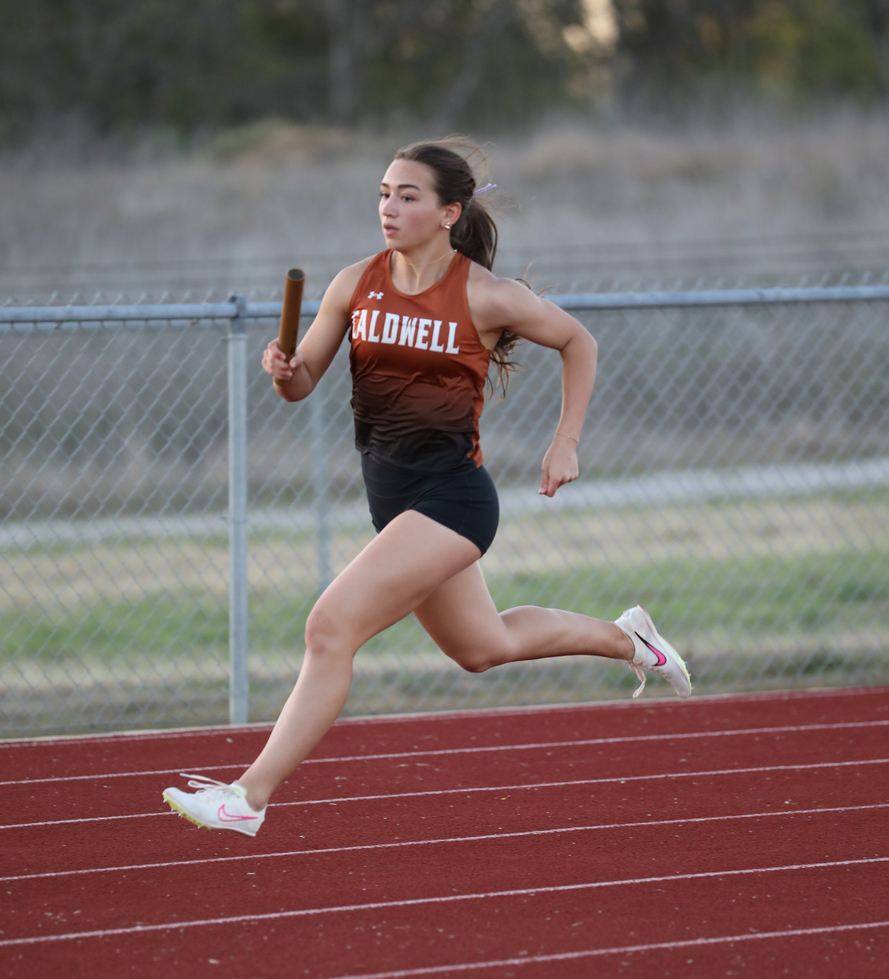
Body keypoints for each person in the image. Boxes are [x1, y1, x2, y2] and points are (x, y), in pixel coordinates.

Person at [163, 140, 690, 836]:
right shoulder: (355, 282)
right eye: (383, 192)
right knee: (482, 648)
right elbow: (299, 386)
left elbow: (578, 342)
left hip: (454, 501)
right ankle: (629, 640)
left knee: (329, 629)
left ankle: (247, 797)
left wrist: (566, 440)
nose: (388, 206)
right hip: (393, 502)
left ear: (449, 212)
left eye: (407, 195)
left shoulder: (487, 295)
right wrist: (281, 368)